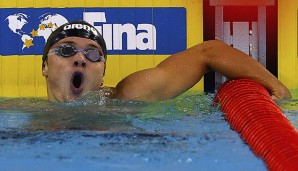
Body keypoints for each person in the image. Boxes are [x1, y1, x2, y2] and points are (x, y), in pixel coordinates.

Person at [42, 20, 291, 102]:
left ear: (103, 71)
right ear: (45, 66)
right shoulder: (15, 113)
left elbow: (210, 52)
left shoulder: (126, 96)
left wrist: (279, 89)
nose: (80, 59)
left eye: (93, 54)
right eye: (65, 50)